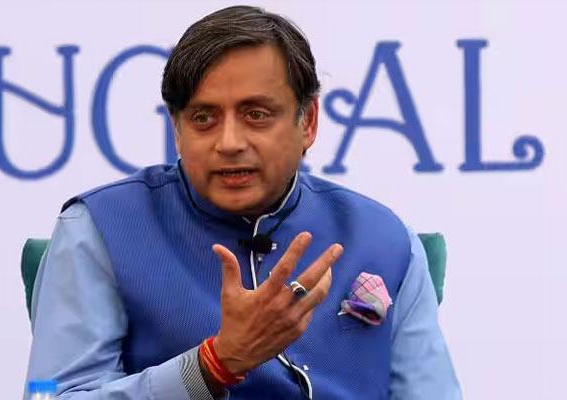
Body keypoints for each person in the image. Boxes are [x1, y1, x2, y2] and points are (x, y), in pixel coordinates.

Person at [25, 5, 461, 400]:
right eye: (203, 118)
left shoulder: (383, 240)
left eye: (256, 114)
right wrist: (213, 366)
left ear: (308, 122)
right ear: (177, 129)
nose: (229, 142)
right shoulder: (100, 229)